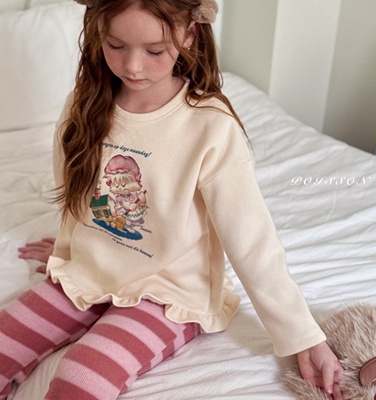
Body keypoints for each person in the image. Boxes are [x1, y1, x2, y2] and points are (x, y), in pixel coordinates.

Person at [4, 0, 343, 399]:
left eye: (154, 51)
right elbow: (76, 191)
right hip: (91, 271)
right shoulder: (85, 103)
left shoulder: (210, 127)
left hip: (168, 291)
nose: (133, 66)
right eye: (115, 45)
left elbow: (251, 239)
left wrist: (302, 336)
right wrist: (69, 246)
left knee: (82, 374)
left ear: (189, 35)